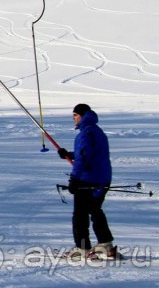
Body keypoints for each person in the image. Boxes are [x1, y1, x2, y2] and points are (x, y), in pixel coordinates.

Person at [57, 103, 116, 259]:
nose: (73, 119)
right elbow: (88, 153)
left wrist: (75, 178)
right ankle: (105, 244)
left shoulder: (84, 134)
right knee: (95, 210)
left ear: (83, 115)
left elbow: (83, 158)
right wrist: (69, 154)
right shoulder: (96, 131)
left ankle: (82, 247)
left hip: (88, 180)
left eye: (75, 115)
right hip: (103, 178)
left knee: (80, 214)